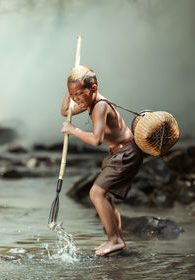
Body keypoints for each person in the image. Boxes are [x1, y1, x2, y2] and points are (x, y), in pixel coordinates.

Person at [61, 65, 143, 256]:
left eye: (79, 94)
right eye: (73, 94)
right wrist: (70, 89)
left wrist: (74, 130)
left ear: (94, 89)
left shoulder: (100, 106)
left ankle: (114, 240)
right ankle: (117, 239)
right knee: (104, 196)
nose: (76, 99)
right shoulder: (88, 102)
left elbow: (97, 140)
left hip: (126, 153)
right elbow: (66, 111)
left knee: (96, 193)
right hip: (118, 153)